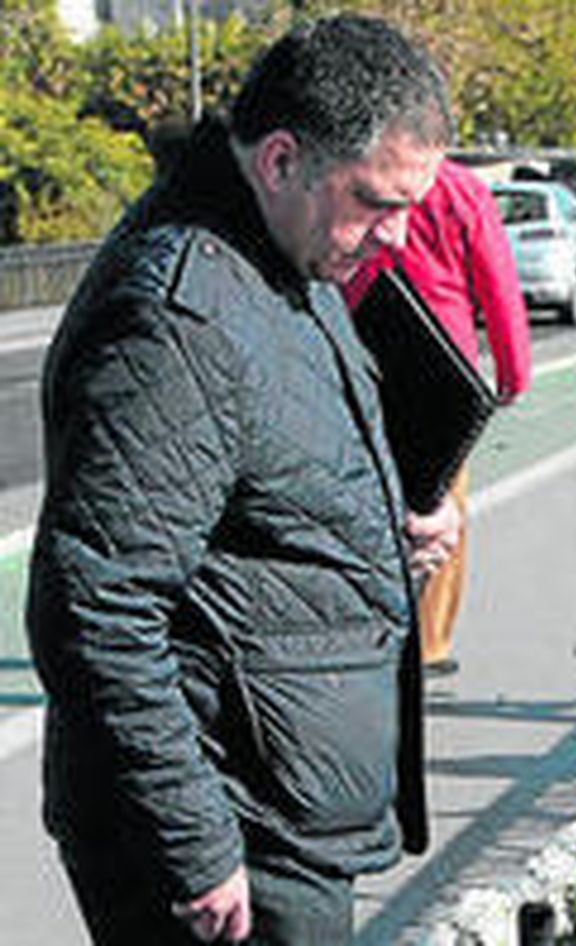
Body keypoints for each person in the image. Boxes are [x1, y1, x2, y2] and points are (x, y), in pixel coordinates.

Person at [26, 15, 458, 945]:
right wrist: (195, 844)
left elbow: (269, 483)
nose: (397, 236)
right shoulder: (179, 318)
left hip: (279, 801)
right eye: (378, 202)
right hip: (229, 834)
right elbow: (96, 605)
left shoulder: (280, 261)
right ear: (280, 160)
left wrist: (393, 527)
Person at [344, 158, 533, 677]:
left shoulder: (364, 170)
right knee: (443, 499)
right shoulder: (461, 190)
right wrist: (513, 372)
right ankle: (430, 641)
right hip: (445, 363)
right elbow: (497, 283)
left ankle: (367, 621)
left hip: (368, 341)